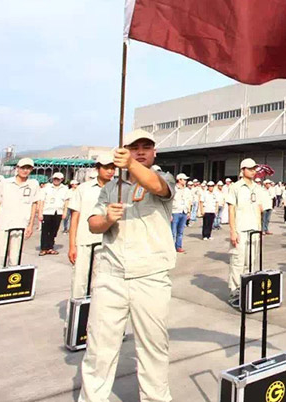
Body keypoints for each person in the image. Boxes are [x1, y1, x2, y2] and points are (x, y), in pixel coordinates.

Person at [79, 129, 176, 402]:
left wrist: (131, 164)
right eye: (134, 147)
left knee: (153, 347)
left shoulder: (164, 178)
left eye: (146, 147)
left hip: (151, 276)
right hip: (111, 275)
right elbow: (93, 224)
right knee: (99, 348)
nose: (141, 151)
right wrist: (107, 219)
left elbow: (158, 187)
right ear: (123, 150)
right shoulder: (111, 188)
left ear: (154, 152)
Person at [67, 154, 115, 298]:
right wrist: (72, 245)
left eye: (113, 168)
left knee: (100, 283)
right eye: (106, 167)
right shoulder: (83, 189)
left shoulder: (117, 189)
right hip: (84, 241)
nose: (110, 171)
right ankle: (75, 310)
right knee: (79, 282)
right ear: (98, 168)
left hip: (107, 243)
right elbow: (74, 218)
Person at [0, 158, 42, 266]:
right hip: (3, 224)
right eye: (23, 168)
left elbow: (34, 204)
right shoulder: (5, 183)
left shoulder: (33, 184)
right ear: (17, 168)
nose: (25, 171)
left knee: (15, 258)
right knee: (0, 256)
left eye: (28, 168)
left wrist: (30, 225)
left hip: (21, 225)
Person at [226, 158, 262, 308]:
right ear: (242, 170)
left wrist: (259, 228)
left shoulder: (257, 187)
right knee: (237, 262)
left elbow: (259, 208)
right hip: (240, 229)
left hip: (254, 229)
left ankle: (247, 290)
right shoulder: (235, 187)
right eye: (250, 168)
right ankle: (235, 293)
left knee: (250, 262)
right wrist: (232, 231)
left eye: (254, 169)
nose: (253, 171)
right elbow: (231, 209)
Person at [39, 172, 70, 256]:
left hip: (58, 212)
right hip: (47, 211)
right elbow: (41, 200)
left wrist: (65, 212)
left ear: (62, 180)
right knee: (45, 231)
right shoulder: (46, 187)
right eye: (55, 179)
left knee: (54, 231)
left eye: (58, 179)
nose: (56, 180)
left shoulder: (65, 189)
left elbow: (66, 201)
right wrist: (40, 213)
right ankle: (44, 248)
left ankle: (50, 247)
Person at [171, 174, 190, 253]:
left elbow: (189, 201)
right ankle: (171, 247)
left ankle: (178, 246)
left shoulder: (187, 190)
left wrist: (188, 212)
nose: (185, 181)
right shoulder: (173, 189)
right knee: (173, 232)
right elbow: (170, 201)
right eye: (184, 179)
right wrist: (170, 214)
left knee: (180, 232)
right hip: (175, 212)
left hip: (184, 211)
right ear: (179, 180)